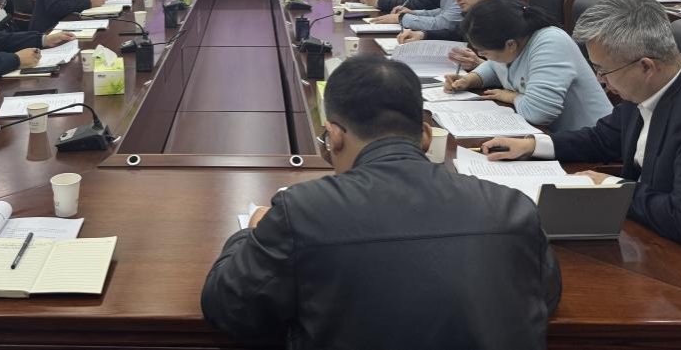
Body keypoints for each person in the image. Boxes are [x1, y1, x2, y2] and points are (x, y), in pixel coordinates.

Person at [200, 55, 560, 350]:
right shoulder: (511, 207)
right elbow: (545, 293)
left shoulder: (302, 211)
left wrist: (251, 234)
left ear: (335, 136)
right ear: (424, 135)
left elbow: (230, 308)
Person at [483, 0, 681, 280]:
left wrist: (613, 188)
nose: (600, 80)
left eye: (603, 70)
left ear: (646, 67)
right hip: (654, 234)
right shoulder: (650, 87)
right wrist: (532, 145)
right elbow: (601, 139)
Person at [445, 0, 612, 133]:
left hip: (593, 142)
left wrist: (511, 96)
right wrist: (469, 79)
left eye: (484, 52)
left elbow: (538, 113)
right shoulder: (515, 38)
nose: (482, 56)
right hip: (551, 136)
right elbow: (495, 66)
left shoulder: (551, 43)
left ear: (510, 45)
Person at [399, 0, 519, 71]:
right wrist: (423, 34)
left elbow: (519, 70)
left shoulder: (510, 14)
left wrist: (480, 64)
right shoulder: (476, 7)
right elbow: (459, 32)